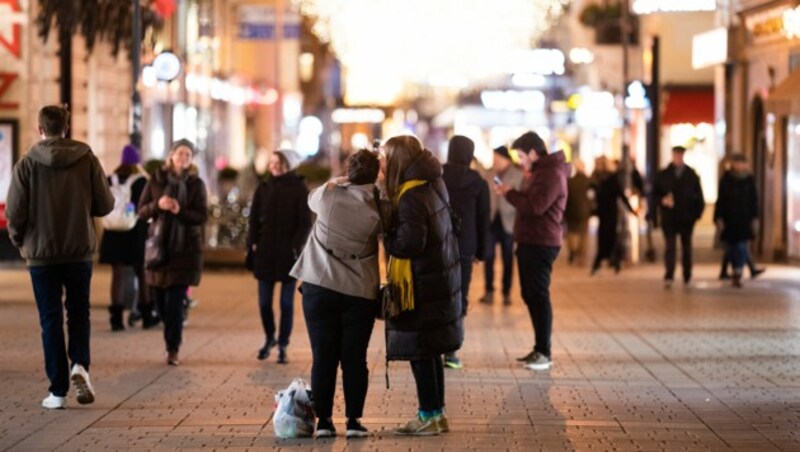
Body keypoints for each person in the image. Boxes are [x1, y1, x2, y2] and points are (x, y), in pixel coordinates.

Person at [6, 105, 114, 409]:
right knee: (79, 312)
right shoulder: (86, 159)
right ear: (66, 128)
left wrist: (20, 242)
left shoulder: (26, 164)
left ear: (40, 129)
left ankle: (57, 391)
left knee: (50, 319)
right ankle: (80, 364)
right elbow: (105, 204)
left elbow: (15, 211)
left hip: (41, 255)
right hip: (79, 251)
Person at [290, 149, 384, 439]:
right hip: (359, 292)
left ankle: (325, 422)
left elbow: (311, 199)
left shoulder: (329, 195)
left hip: (320, 286)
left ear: (348, 171)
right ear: (376, 175)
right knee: (355, 358)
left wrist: (339, 180)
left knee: (323, 356)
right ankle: (354, 421)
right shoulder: (379, 206)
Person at [382, 135, 462, 436]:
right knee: (431, 352)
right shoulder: (432, 184)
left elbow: (409, 243)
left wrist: (386, 238)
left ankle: (428, 415)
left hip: (421, 285)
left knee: (420, 352)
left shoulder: (411, 194)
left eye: (386, 157)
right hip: (437, 279)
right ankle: (436, 415)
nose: (383, 163)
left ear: (399, 161)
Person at [495, 131, 569, 371]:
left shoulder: (550, 174)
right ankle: (539, 349)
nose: (520, 160)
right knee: (531, 295)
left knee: (538, 296)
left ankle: (544, 352)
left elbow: (535, 207)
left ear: (534, 153)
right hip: (530, 240)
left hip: (541, 242)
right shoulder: (539, 172)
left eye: (521, 156)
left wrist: (509, 193)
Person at [138, 139, 208, 366]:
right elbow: (142, 211)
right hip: (159, 248)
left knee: (175, 302)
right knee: (159, 302)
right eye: (180, 153)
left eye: (188, 154)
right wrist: (158, 204)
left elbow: (201, 216)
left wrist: (180, 210)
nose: (183, 158)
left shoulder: (196, 184)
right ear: (171, 155)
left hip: (184, 250)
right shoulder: (156, 179)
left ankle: (172, 348)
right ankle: (172, 332)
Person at [247, 150, 311, 364]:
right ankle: (269, 338)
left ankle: (283, 344)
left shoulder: (300, 189)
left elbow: (305, 222)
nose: (273, 166)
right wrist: (252, 243)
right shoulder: (263, 188)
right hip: (265, 253)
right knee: (264, 302)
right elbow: (253, 219)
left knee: (286, 304)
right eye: (271, 162)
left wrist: (295, 246)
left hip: (287, 254)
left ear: (288, 165)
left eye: (278, 162)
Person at [440, 135, 489, 370]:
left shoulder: (436, 175)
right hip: (466, 247)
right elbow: (483, 218)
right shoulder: (477, 181)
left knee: (439, 293)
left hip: (439, 244)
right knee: (460, 296)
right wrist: (482, 250)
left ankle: (434, 345)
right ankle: (451, 351)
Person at [99, 144, 152, 331]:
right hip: (134, 232)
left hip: (112, 232)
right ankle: (146, 315)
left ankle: (116, 320)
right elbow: (145, 208)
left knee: (117, 275)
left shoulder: (109, 179)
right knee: (141, 272)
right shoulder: (141, 181)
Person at [653, 146, 705, 287]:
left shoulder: (691, 174)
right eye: (676, 154)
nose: (678, 157)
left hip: (686, 217)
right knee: (670, 247)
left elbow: (699, 197)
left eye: (680, 155)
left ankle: (687, 274)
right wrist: (662, 201)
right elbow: (654, 195)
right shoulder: (664, 174)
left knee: (686, 247)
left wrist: (697, 214)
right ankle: (669, 274)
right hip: (669, 217)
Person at [480, 146, 523, 306]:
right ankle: (489, 291)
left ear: (506, 159)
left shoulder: (517, 175)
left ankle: (506, 292)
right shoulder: (489, 174)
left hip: (509, 222)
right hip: (491, 221)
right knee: (488, 257)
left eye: (497, 158)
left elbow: (520, 198)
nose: (494, 161)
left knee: (508, 258)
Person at [714, 154, 759, 288]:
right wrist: (718, 217)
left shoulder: (749, 180)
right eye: (738, 163)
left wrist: (755, 217)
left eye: (743, 163)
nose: (741, 166)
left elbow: (754, 200)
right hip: (730, 219)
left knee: (742, 246)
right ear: (733, 165)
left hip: (744, 219)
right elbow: (720, 200)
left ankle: (738, 271)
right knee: (732, 247)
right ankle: (735, 270)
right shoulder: (726, 180)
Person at [590, 157, 635, 275]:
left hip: (608, 213)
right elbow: (621, 195)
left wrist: (631, 209)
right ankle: (608, 262)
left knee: (609, 238)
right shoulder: (599, 178)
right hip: (606, 213)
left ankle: (610, 262)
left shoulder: (603, 179)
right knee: (608, 238)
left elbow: (620, 195)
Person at [564, 159, 592, 265]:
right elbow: (592, 196)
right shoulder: (588, 181)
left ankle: (572, 249)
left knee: (570, 232)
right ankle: (581, 256)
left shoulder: (570, 182)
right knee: (583, 234)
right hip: (584, 211)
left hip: (571, 210)